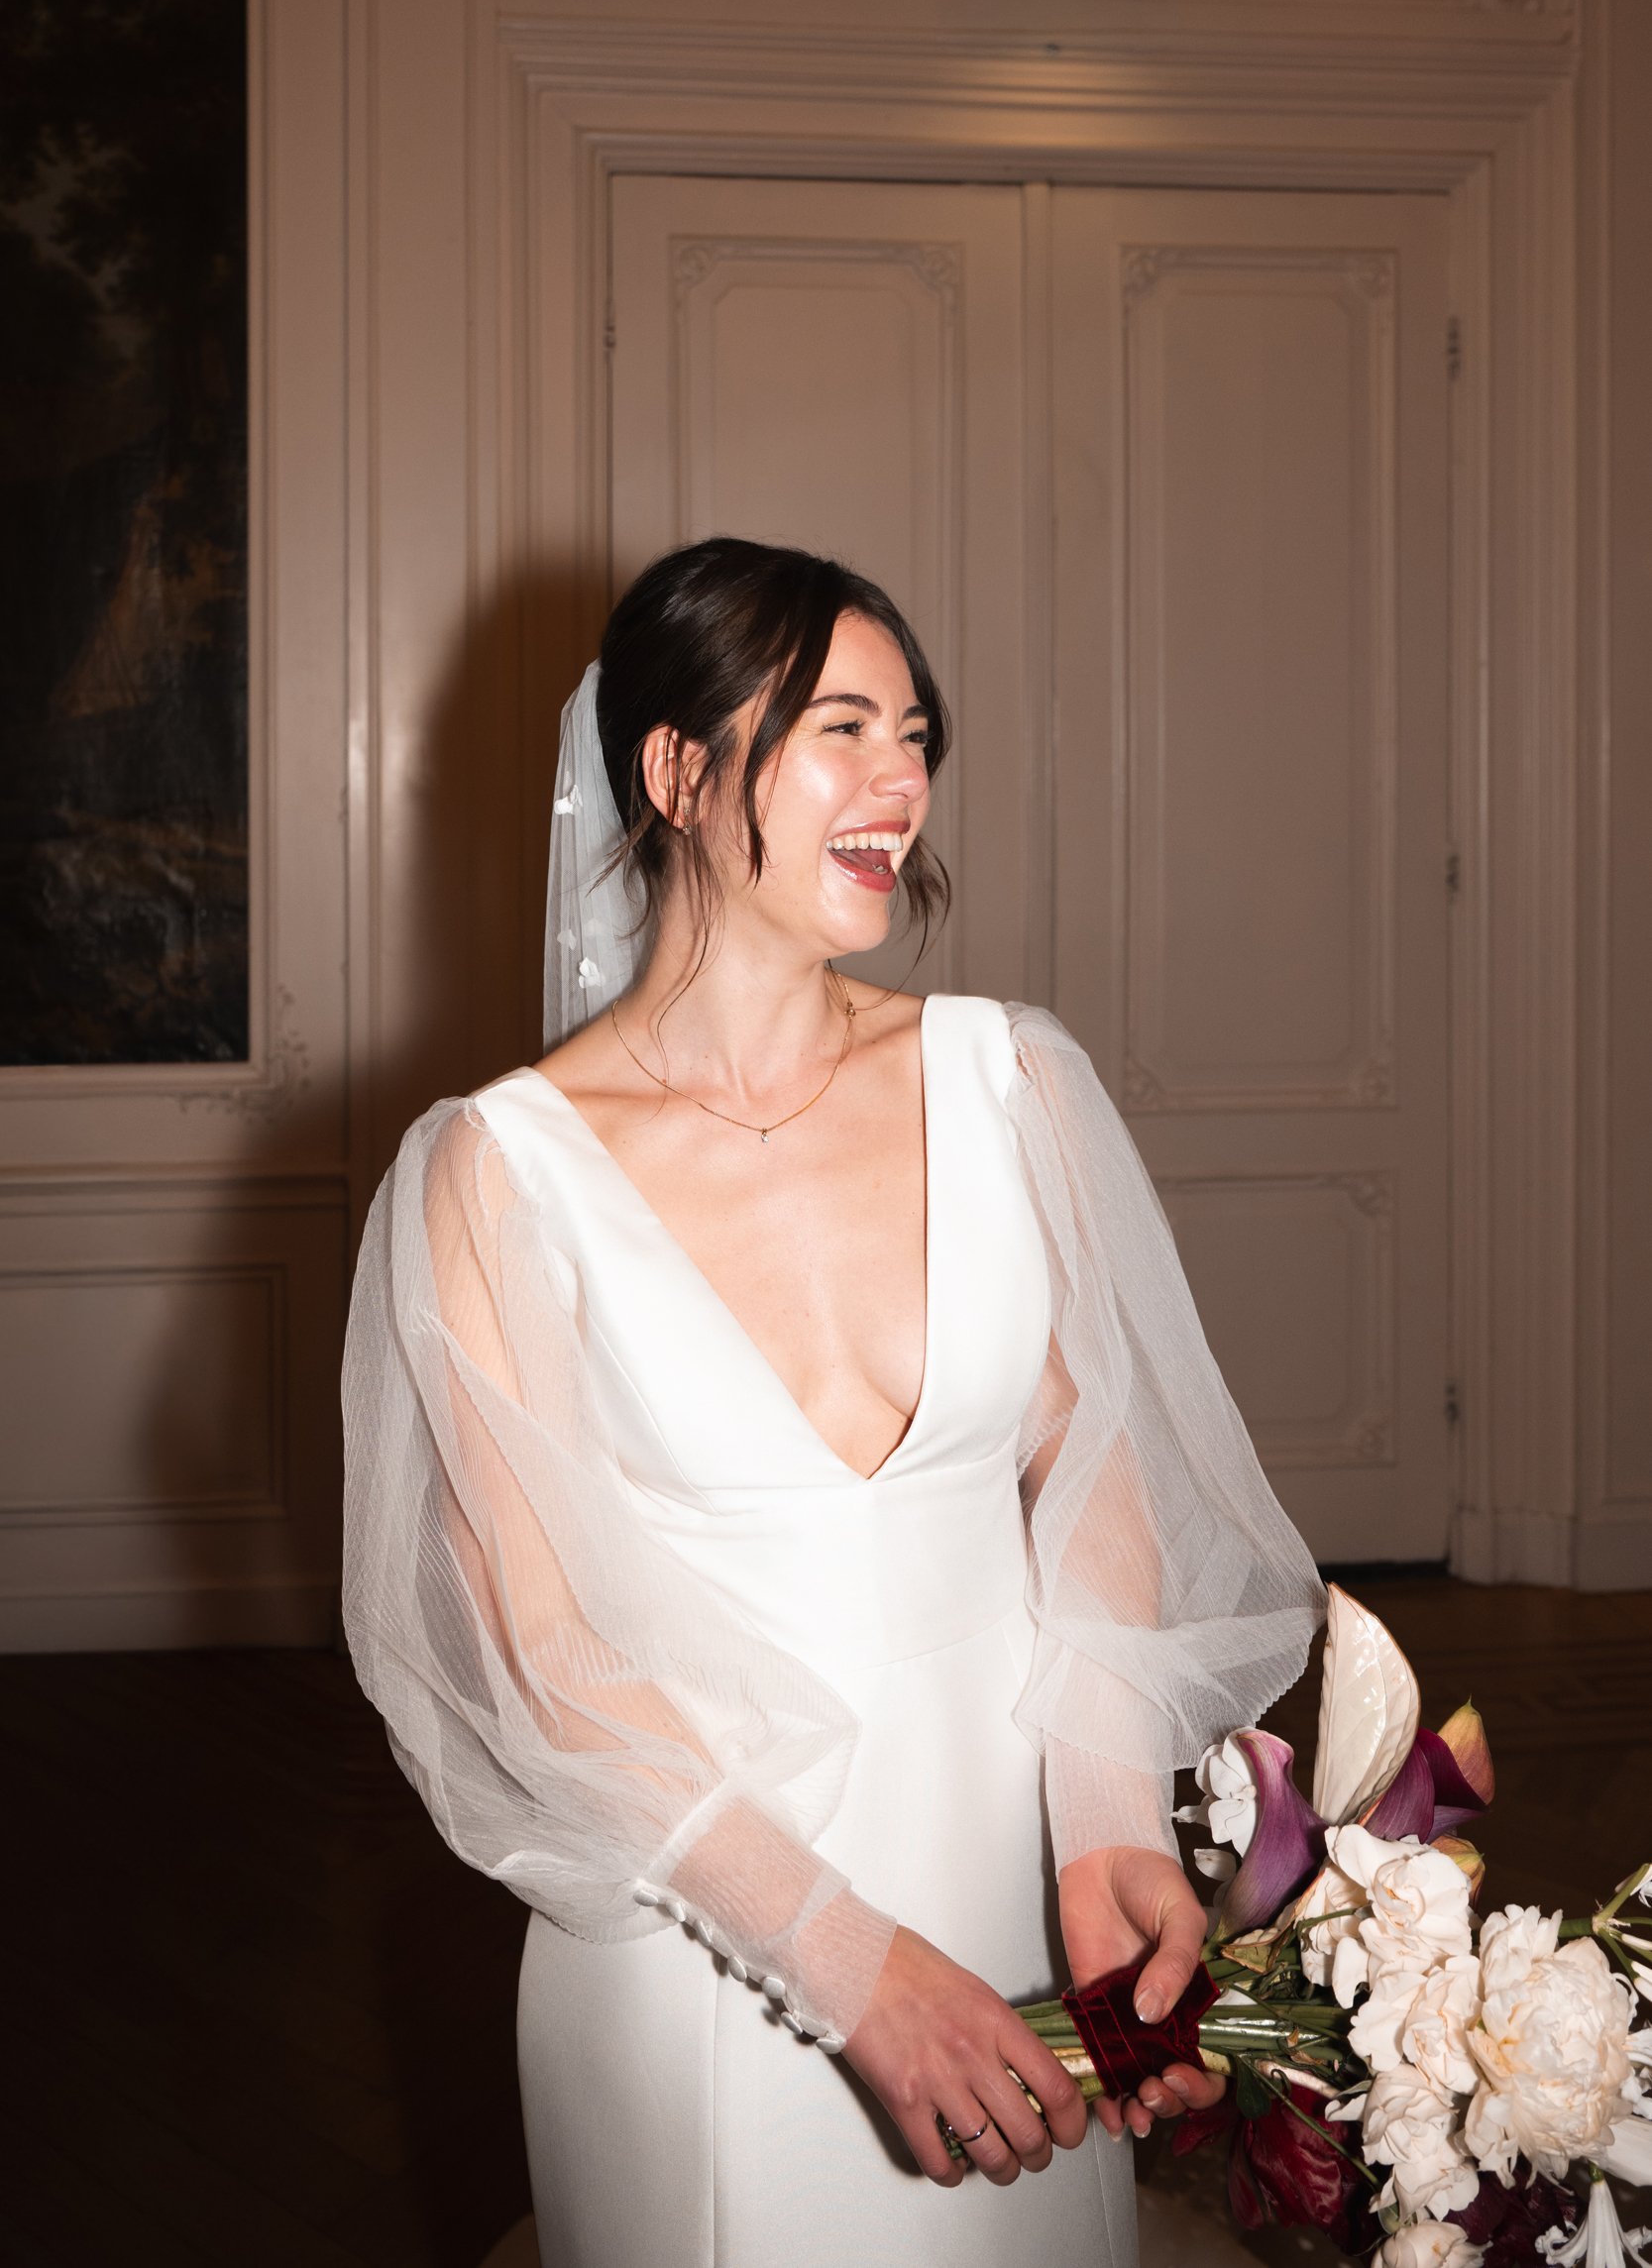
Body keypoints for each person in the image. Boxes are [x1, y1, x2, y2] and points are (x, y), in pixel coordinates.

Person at [342, 537, 1325, 2267]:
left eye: (918, 732)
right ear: (678, 769)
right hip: (711, 1942)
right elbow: (546, 1659)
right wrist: (844, 1965)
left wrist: (1101, 1832)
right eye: (844, 728)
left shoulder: (1005, 1078)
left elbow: (1087, 1468)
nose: (905, 778)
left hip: (1010, 1874)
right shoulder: (495, 1179)